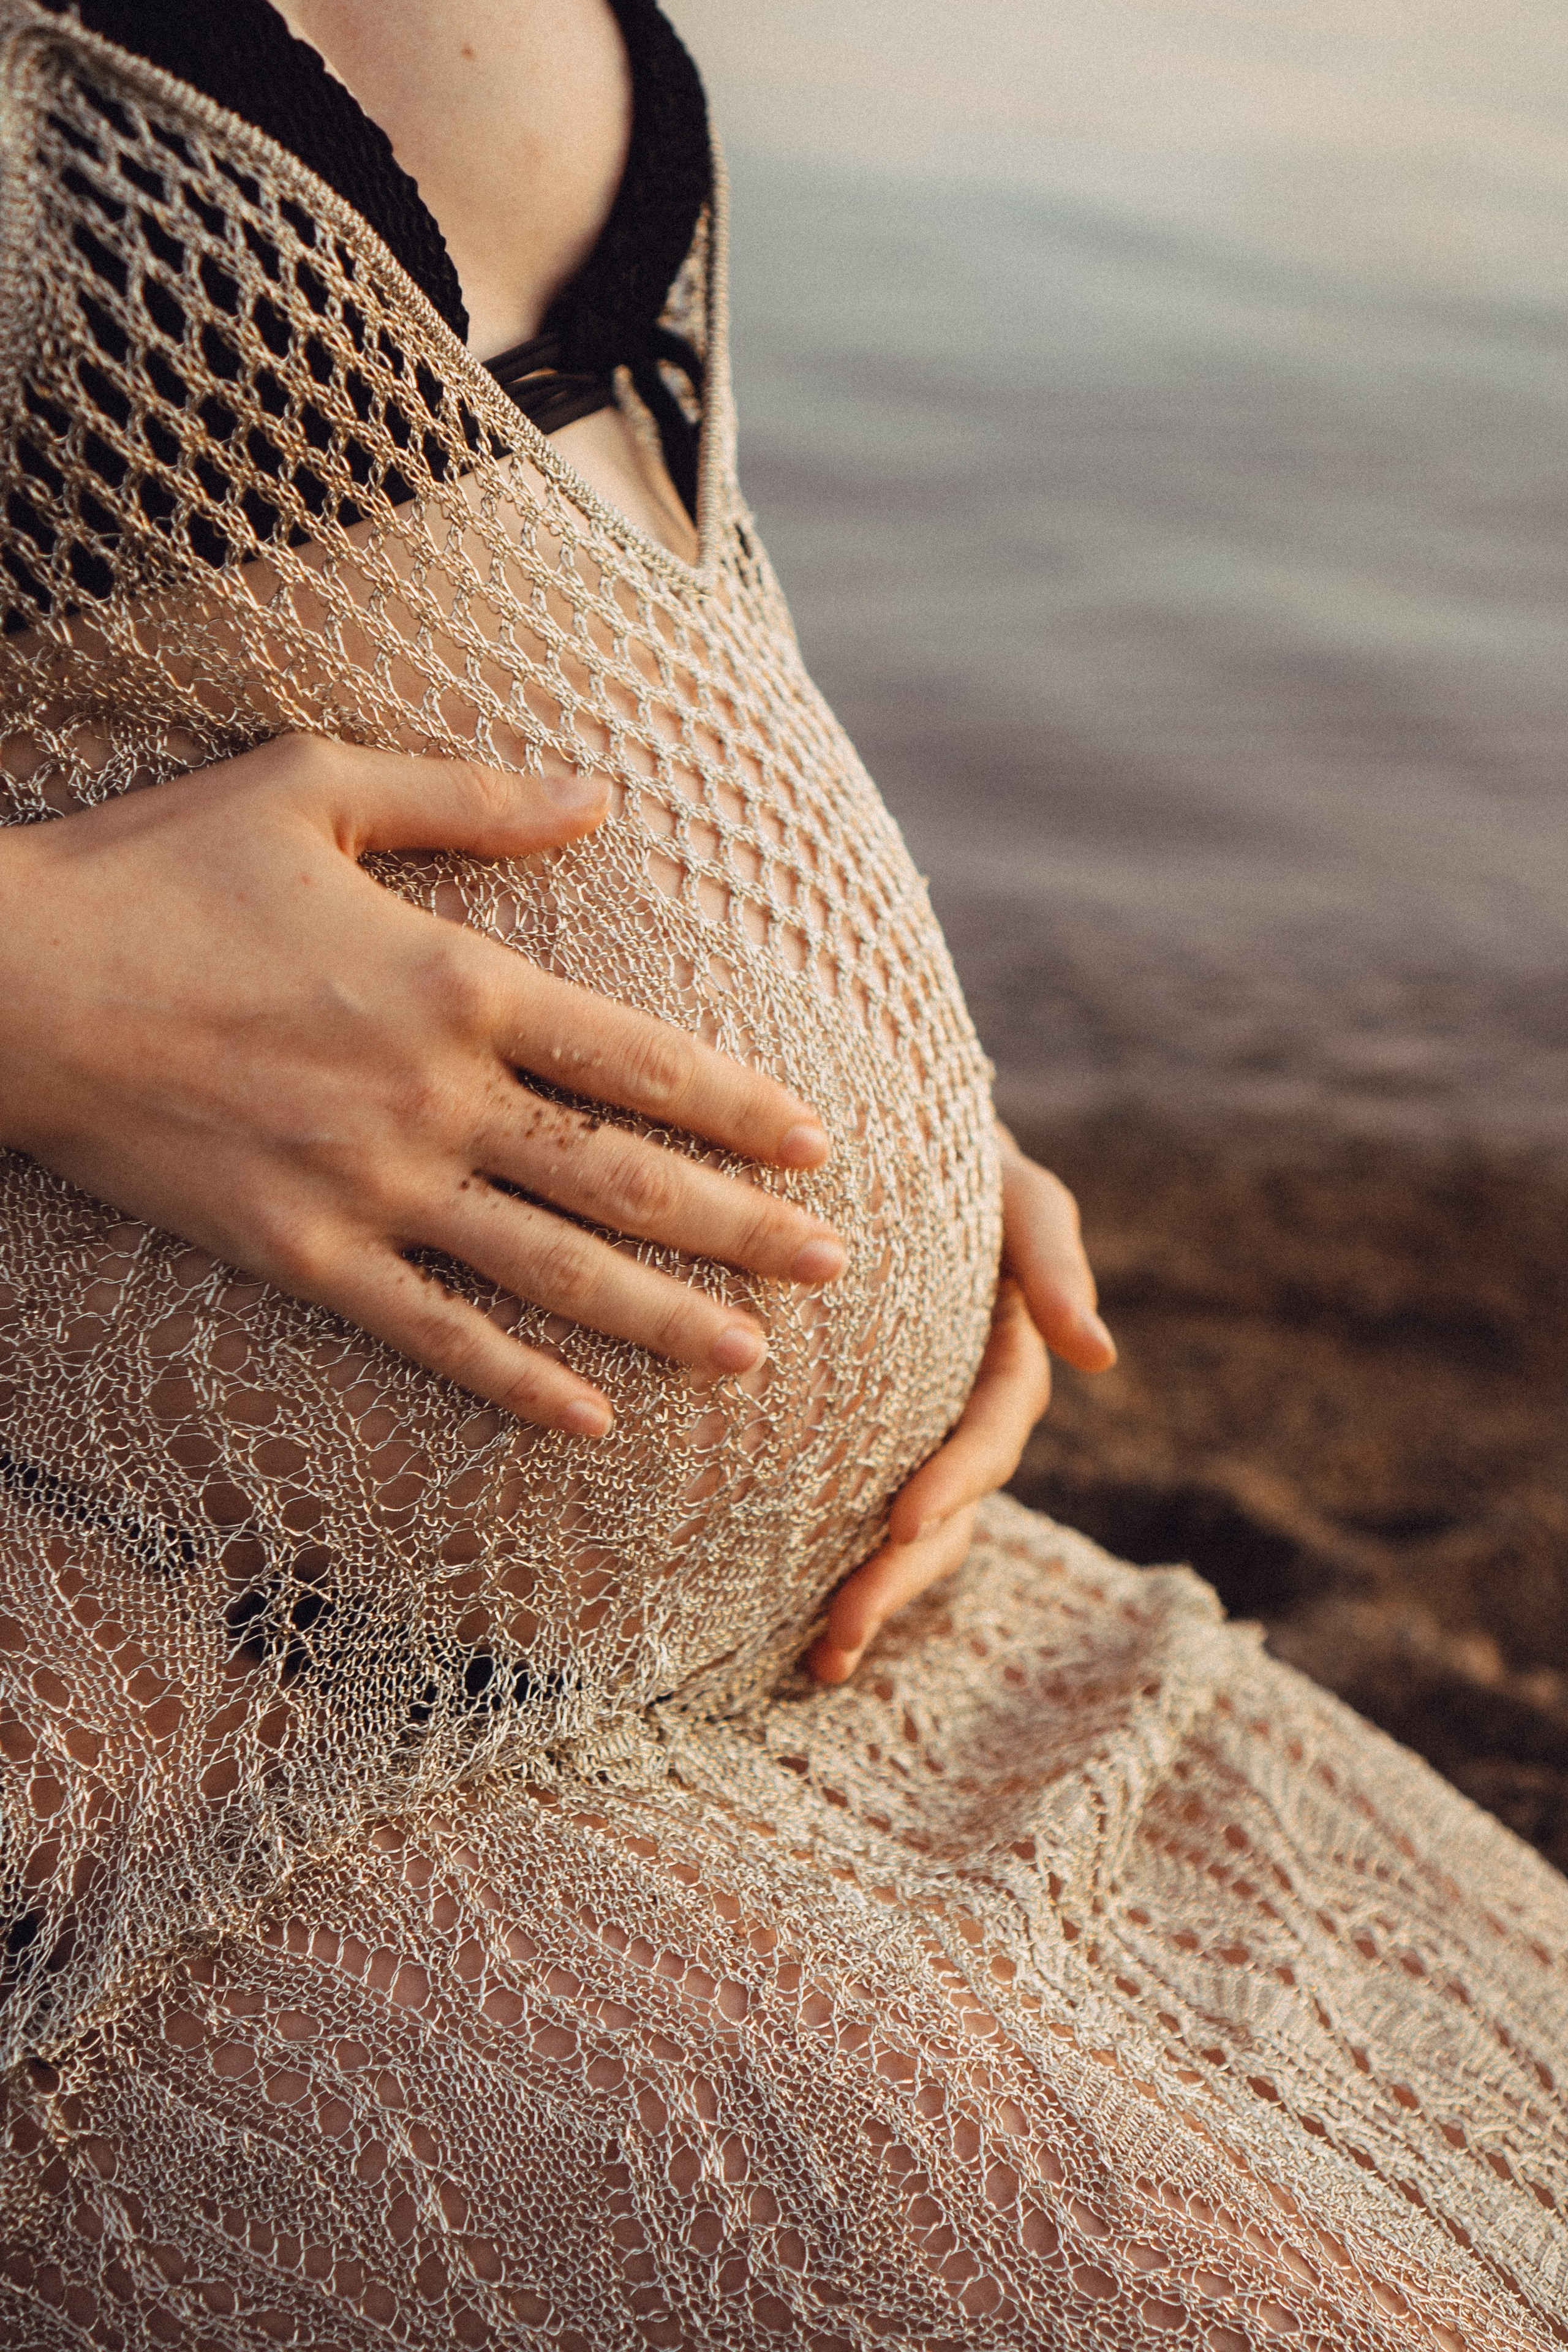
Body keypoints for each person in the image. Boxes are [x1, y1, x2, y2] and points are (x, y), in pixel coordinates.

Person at [0, 4, 1562, 2345]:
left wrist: (893, 1107)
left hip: (859, 1631)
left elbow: (565, 541)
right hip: (165, 1717)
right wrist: (46, 989)